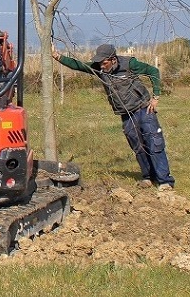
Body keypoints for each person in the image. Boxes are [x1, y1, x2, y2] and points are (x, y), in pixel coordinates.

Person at [52, 42, 174, 189]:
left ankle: (165, 181)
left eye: (104, 63)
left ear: (113, 59)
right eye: (99, 63)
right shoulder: (99, 68)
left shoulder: (130, 64)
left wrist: (156, 97)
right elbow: (79, 65)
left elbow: (153, 71)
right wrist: (57, 56)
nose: (102, 66)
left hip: (143, 109)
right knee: (138, 146)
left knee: (154, 143)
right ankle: (148, 177)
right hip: (126, 113)